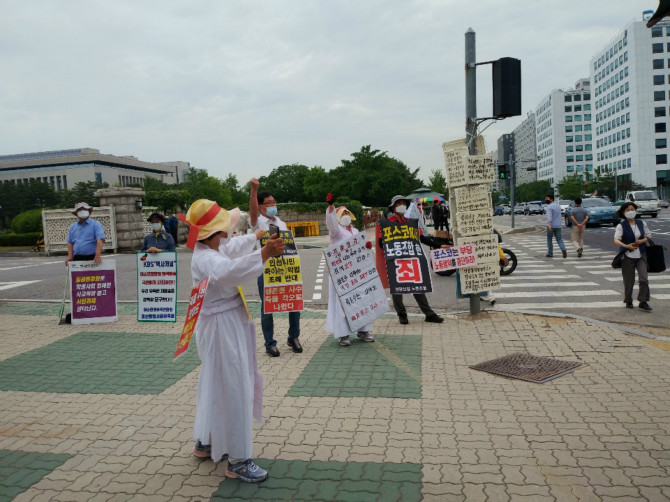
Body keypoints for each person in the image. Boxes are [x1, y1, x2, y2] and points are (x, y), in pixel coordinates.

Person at [184, 198, 285, 483]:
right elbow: (228, 271)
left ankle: (206, 439)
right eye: (225, 228)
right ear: (216, 231)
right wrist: (263, 253)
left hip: (220, 323)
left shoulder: (211, 247)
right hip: (221, 326)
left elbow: (232, 250)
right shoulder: (207, 257)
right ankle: (239, 459)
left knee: (216, 381)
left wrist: (255, 238)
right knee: (235, 384)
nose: (229, 232)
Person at [249, 180, 302, 357]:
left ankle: (293, 337)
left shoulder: (281, 222)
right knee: (267, 308)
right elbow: (253, 213)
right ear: (261, 207)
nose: (273, 205)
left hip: (286, 270)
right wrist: (254, 190)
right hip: (266, 271)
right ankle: (270, 343)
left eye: (274, 202)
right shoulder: (258, 223)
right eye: (269, 203)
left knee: (294, 303)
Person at [379, 195, 445, 325]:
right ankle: (402, 315)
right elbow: (381, 242)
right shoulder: (387, 223)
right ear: (393, 207)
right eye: (398, 204)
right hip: (395, 260)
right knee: (397, 289)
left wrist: (439, 245)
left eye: (403, 203)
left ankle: (429, 314)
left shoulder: (411, 223)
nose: (401, 206)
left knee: (417, 286)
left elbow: (422, 238)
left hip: (411, 259)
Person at [325, 192, 375, 346]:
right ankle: (343, 334)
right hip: (342, 274)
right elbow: (331, 223)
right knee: (343, 304)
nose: (345, 215)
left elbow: (362, 247)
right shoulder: (337, 232)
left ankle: (363, 330)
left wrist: (367, 246)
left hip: (358, 273)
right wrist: (331, 206)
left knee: (361, 300)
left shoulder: (355, 231)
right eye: (342, 213)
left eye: (347, 212)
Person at [613, 202, 653, 312]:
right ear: (623, 213)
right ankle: (628, 300)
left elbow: (649, 235)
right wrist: (626, 246)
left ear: (635, 210)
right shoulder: (621, 226)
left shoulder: (641, 223)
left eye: (632, 209)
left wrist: (643, 240)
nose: (630, 212)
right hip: (627, 256)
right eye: (627, 210)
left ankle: (643, 301)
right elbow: (616, 240)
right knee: (629, 280)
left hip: (642, 254)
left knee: (644, 278)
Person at [545, 193, 567, 258]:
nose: (545, 199)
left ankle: (550, 253)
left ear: (551, 199)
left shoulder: (549, 207)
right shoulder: (558, 206)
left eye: (547, 198)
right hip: (558, 225)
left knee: (549, 239)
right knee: (559, 239)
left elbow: (549, 217)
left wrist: (549, 225)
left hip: (551, 225)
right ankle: (563, 249)